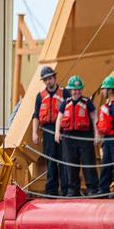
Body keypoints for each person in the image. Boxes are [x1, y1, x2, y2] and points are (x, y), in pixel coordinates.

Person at [55, 75, 99, 197]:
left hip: (85, 137)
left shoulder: (87, 103)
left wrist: (97, 134)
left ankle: (92, 189)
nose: (76, 92)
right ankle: (72, 190)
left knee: (88, 163)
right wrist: (57, 133)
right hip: (69, 138)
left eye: (78, 89)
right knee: (70, 164)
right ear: (70, 90)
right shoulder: (65, 103)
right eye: (74, 90)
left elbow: (94, 118)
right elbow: (59, 118)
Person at [32, 66, 69, 196]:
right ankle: (51, 190)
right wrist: (34, 133)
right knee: (51, 160)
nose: (48, 81)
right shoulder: (40, 96)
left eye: (50, 78)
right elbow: (36, 116)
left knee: (64, 161)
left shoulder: (65, 93)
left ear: (54, 78)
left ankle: (66, 190)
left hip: (63, 130)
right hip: (47, 131)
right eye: (46, 79)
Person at [97, 76, 114, 195]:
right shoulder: (107, 105)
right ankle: (103, 190)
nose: (102, 91)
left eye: (104, 89)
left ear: (110, 90)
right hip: (107, 140)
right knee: (106, 165)